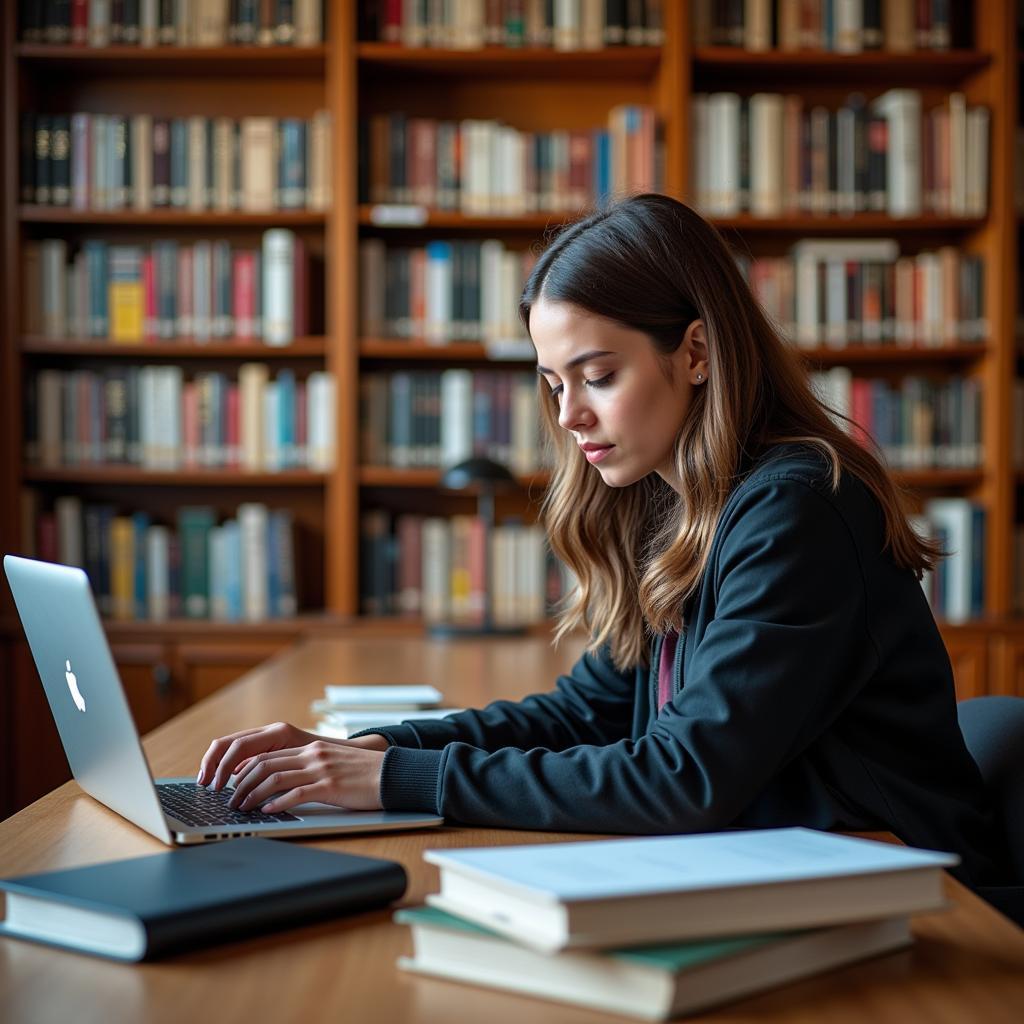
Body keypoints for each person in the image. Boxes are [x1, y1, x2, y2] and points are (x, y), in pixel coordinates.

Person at [198, 193, 999, 886]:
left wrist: (397, 779)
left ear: (694, 353)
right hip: (787, 862)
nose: (569, 414)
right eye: (553, 384)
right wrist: (365, 752)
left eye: (598, 375)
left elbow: (683, 779)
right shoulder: (676, 503)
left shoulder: (799, 511)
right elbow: (585, 714)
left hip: (912, 888)